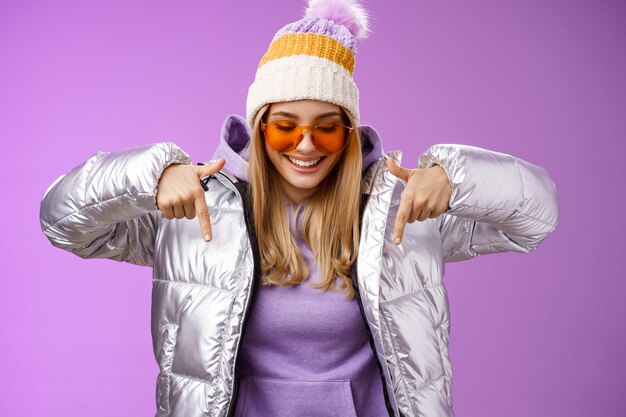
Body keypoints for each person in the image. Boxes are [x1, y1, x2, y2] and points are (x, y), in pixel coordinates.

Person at [39, 1, 559, 416]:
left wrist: (456, 175)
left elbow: (535, 214)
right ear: (259, 129)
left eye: (326, 126)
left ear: (349, 135)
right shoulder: (198, 209)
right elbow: (62, 222)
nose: (305, 144)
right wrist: (151, 175)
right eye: (286, 125)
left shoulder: (397, 212)